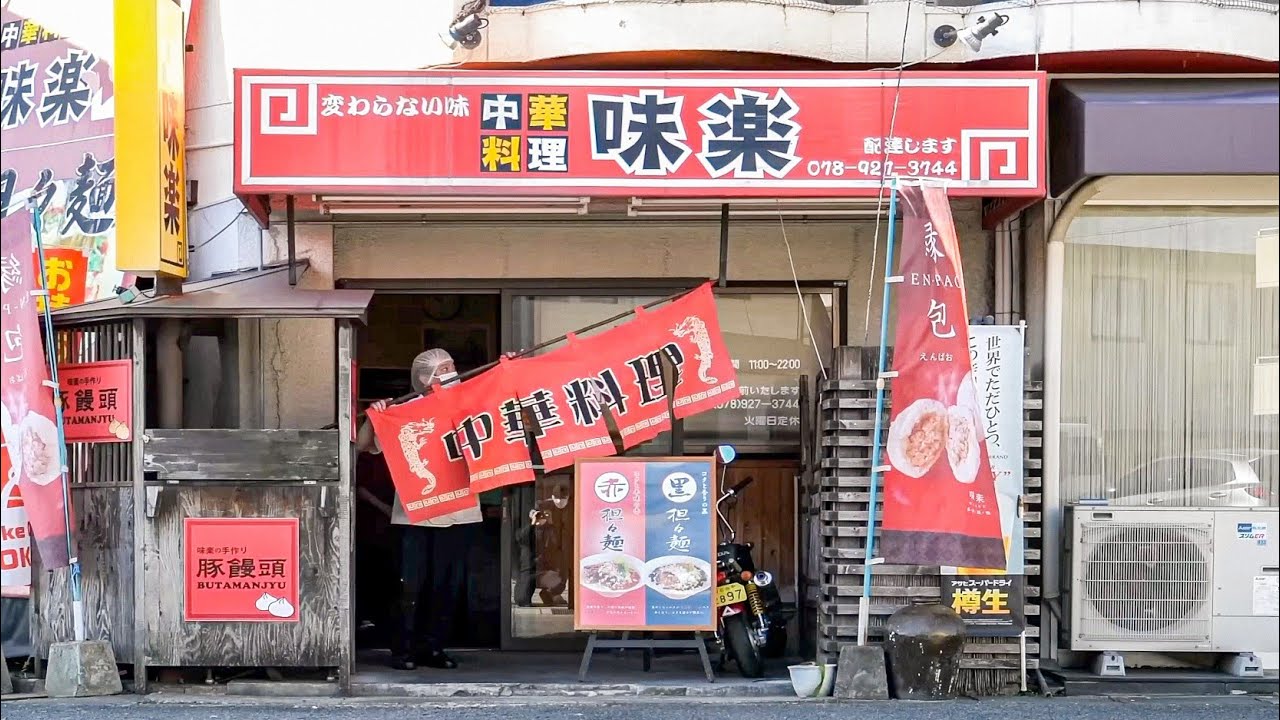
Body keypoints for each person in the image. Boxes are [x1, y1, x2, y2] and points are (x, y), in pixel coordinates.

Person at [357, 348, 478, 671]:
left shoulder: (469, 402)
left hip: (460, 508)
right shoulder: (405, 411)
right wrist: (374, 416)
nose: (453, 372)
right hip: (416, 511)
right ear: (425, 378)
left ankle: (434, 647)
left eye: (454, 365)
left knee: (447, 586)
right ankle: (404, 649)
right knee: (409, 585)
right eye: (445, 368)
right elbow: (364, 444)